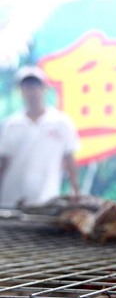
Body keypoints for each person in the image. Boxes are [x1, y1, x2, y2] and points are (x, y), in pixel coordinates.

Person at [0, 66, 80, 207]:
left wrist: (75, 189)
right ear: (22, 91)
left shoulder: (61, 122)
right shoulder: (11, 124)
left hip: (47, 198)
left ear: (44, 89)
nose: (32, 91)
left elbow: (70, 158)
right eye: (27, 87)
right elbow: (4, 162)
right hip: (11, 198)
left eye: (36, 86)